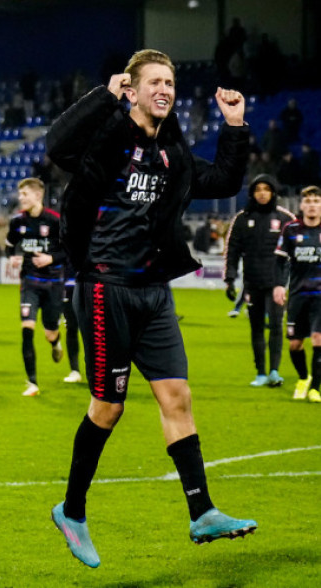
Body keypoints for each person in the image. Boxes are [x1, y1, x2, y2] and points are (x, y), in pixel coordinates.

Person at [46, 49, 256, 568]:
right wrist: (103, 97)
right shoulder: (106, 140)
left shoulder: (173, 157)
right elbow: (57, 146)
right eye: (154, 82)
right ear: (133, 89)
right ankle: (72, 510)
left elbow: (225, 182)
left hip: (154, 292)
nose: (165, 89)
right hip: (105, 287)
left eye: (171, 82)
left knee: (178, 399)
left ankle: (202, 511)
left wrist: (234, 127)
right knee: (109, 408)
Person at [223, 174, 292, 387]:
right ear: (252, 193)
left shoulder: (285, 218)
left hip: (276, 284)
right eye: (258, 189)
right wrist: (230, 279)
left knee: (276, 327)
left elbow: (295, 251)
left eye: (266, 189)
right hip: (252, 282)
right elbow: (232, 250)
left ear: (273, 192)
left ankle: (274, 371)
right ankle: (260, 372)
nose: (262, 193)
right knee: (256, 329)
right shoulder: (242, 219)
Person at [4, 178, 69, 396]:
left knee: (50, 331)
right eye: (20, 194)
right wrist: (13, 258)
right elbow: (9, 245)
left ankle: (55, 342)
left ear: (38, 196)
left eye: (25, 195)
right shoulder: (17, 222)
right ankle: (32, 383)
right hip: (29, 283)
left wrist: (51, 258)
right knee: (27, 329)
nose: (21, 198)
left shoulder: (54, 221)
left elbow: (69, 251)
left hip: (53, 284)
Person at [273, 186, 321, 402]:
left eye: (316, 201)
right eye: (308, 201)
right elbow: (280, 261)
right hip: (298, 294)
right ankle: (304, 378)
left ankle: (315, 389)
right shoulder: (290, 229)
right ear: (301, 205)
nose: (312, 205)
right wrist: (279, 285)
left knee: (318, 340)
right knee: (295, 343)